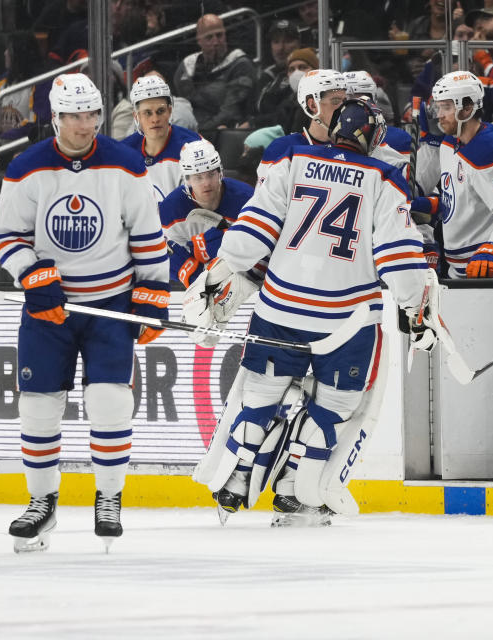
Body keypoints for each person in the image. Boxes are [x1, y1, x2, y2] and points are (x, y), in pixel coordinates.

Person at [182, 98, 440, 526]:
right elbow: (400, 257)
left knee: (260, 394)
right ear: (375, 137)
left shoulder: (290, 155)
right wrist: (417, 308)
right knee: (339, 404)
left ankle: (239, 475)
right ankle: (294, 486)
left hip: (280, 306)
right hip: (345, 317)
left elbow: (250, 235)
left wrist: (222, 271)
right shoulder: (385, 178)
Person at [0, 73, 169, 553]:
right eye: (74, 116)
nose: (85, 124)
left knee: (111, 401)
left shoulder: (126, 164)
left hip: (110, 304)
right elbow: (6, 237)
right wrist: (31, 273)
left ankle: (109, 498)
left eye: (91, 114)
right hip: (50, 311)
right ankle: (42, 503)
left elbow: (147, 234)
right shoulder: (26, 167)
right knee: (37, 406)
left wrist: (153, 291)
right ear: (55, 118)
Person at [409, 71, 493, 278]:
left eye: (446, 107)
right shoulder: (449, 143)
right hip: (466, 270)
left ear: (467, 108)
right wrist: (432, 205)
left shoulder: (488, 149)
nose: (439, 115)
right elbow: (466, 197)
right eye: (438, 107)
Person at [160, 139, 253, 287]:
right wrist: (192, 274)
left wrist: (229, 239)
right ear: (187, 180)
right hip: (185, 290)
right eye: (198, 177)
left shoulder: (247, 199)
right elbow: (165, 254)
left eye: (211, 174)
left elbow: (265, 246)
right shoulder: (171, 209)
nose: (206, 183)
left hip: (243, 283)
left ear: (220, 173)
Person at [254, 69, 348, 188]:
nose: (344, 108)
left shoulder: (354, 147)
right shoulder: (282, 148)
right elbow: (264, 201)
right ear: (312, 105)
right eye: (336, 101)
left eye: (345, 101)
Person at [120, 75, 201, 202]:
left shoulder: (193, 147)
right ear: (136, 116)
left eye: (160, 111)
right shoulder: (124, 151)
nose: (155, 119)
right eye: (147, 113)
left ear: (169, 111)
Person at [174, 14, 255, 132]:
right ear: (199, 40)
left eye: (219, 35)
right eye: (209, 37)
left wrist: (197, 131)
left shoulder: (240, 65)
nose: (216, 42)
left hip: (224, 131)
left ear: (225, 35)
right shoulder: (187, 66)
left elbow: (230, 113)